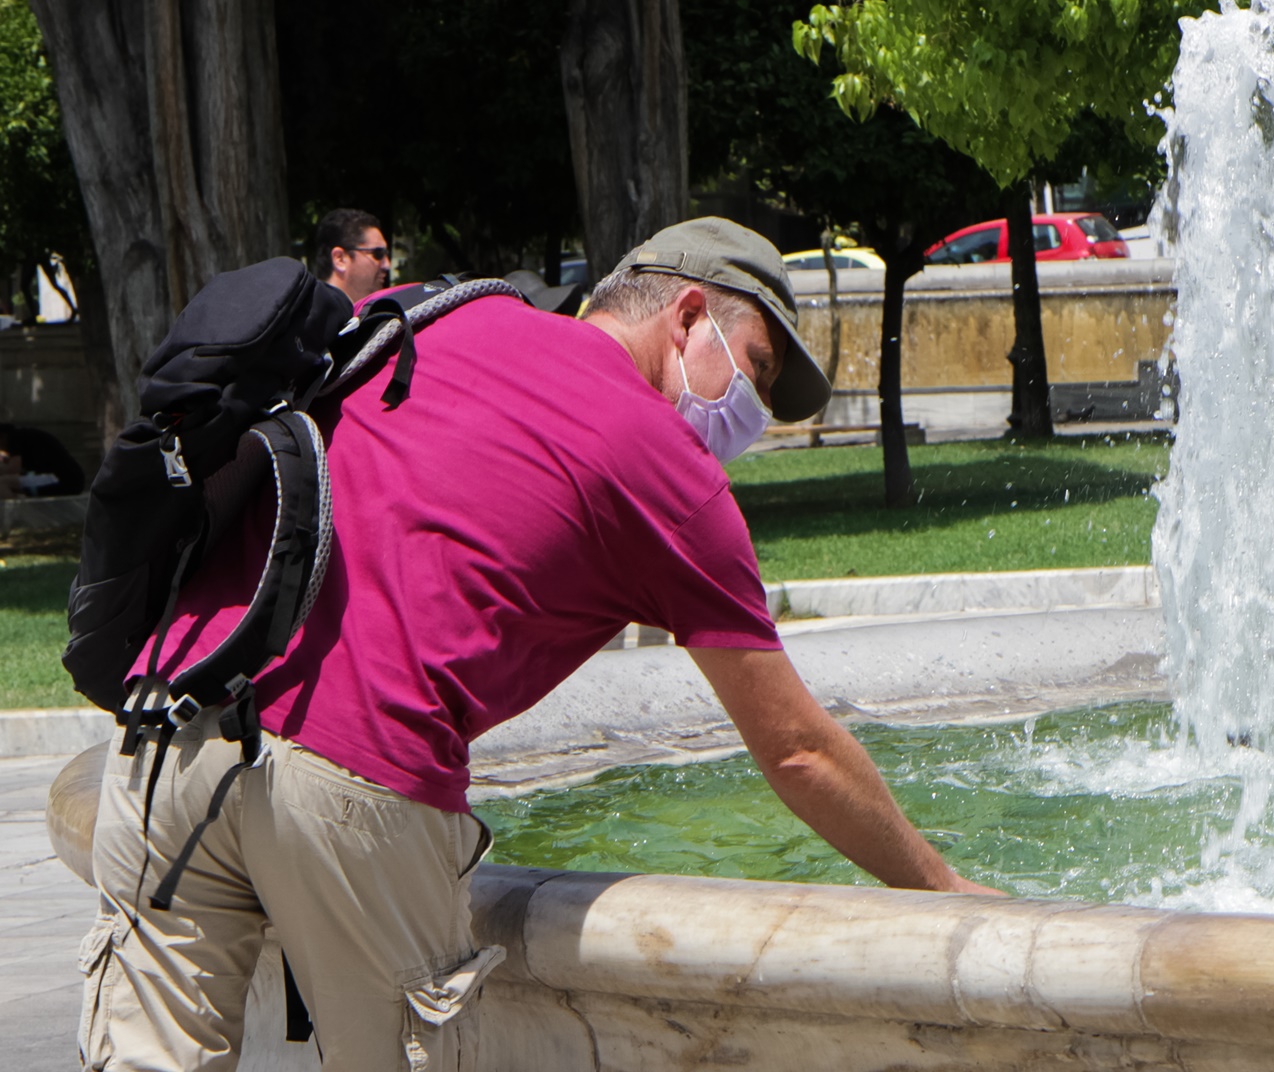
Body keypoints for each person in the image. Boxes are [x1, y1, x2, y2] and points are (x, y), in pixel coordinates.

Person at [80, 217, 998, 1071]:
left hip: (173, 727)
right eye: (751, 369)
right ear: (686, 317)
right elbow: (798, 750)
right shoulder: (668, 472)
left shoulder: (440, 313)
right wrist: (942, 888)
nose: (751, 412)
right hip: (355, 777)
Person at [310, 207, 393, 304]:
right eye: (378, 254)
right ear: (340, 259)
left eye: (386, 254)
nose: (387, 265)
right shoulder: (311, 316)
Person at [0, 420, 85, 496]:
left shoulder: (14, 438)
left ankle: (13, 512)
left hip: (62, 480)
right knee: (12, 483)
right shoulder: (22, 435)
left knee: (2, 483)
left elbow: (13, 469)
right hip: (69, 480)